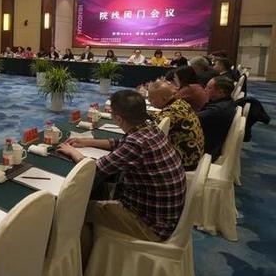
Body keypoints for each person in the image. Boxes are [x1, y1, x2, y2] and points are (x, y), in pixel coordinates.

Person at [58, 90, 185, 245]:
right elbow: (121, 143)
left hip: (149, 225)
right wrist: (88, 142)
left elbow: (93, 170)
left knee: (76, 209)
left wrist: (72, 152)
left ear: (118, 119)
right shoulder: (150, 128)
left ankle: (85, 255)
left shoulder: (136, 143)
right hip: (163, 215)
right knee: (100, 190)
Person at [148, 81, 205, 171]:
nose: (149, 102)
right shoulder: (180, 102)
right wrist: (147, 114)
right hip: (195, 154)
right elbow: (160, 116)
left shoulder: (171, 112)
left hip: (187, 161)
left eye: (151, 99)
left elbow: (150, 132)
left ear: (163, 99)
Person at [198, 76, 237, 161]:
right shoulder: (227, 102)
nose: (205, 89)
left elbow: (192, 120)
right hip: (212, 142)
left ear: (220, 92)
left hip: (204, 150)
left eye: (209, 88)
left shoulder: (217, 110)